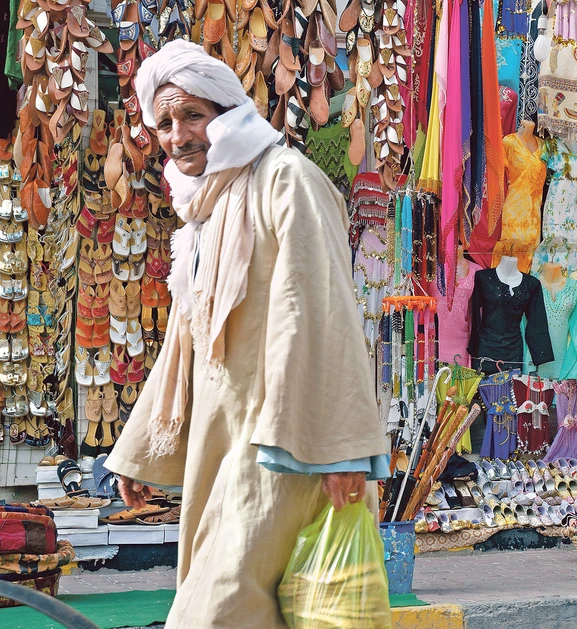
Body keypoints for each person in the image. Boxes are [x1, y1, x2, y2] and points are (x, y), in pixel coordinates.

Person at [104, 40, 390, 629]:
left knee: (215, 612)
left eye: (191, 116)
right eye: (163, 123)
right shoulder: (206, 210)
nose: (177, 134)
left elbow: (321, 308)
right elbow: (188, 335)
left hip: (285, 442)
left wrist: (338, 445)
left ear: (228, 114)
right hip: (223, 444)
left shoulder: (286, 179)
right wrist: (134, 453)